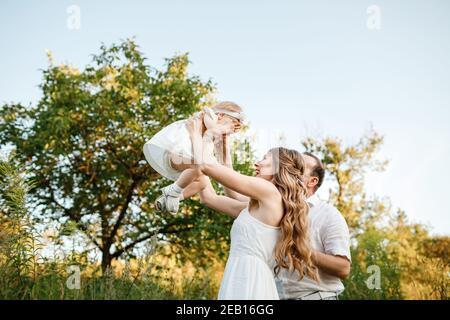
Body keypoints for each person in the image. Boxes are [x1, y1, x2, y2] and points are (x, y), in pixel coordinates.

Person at [186, 116, 318, 299]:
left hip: (250, 279)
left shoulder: (270, 192)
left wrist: (196, 134)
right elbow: (209, 197)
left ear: (279, 169)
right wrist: (220, 145)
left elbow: (208, 166)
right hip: (241, 274)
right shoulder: (257, 207)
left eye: (265, 159)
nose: (257, 162)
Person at [275, 152, 351, 300]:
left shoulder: (329, 215)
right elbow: (235, 198)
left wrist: (302, 249)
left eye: (299, 167)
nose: (291, 169)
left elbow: (343, 268)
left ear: (312, 181)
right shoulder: (277, 209)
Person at [142, 101, 243, 214]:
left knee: (202, 182)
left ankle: (171, 197)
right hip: (176, 153)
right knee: (202, 166)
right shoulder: (210, 116)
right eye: (229, 127)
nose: (227, 133)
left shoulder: (211, 133)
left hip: (187, 159)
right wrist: (218, 131)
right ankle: (174, 190)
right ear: (220, 115)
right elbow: (209, 128)